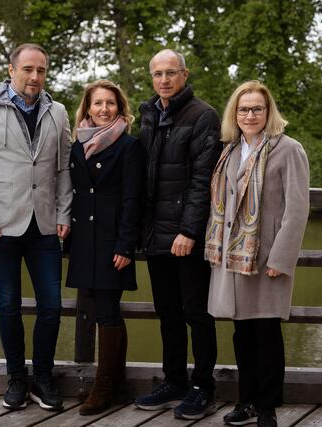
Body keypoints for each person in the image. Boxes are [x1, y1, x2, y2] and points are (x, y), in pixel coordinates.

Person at [0, 43, 72, 411]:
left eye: (41, 70)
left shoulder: (58, 112)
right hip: (2, 227)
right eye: (27, 69)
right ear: (12, 70)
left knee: (51, 306)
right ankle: (16, 378)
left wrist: (63, 213)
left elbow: (63, 169)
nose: (35, 77)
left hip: (45, 226)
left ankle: (43, 377)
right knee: (8, 305)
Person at [204, 80, 309, 427]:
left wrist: (281, 259)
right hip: (234, 259)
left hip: (266, 260)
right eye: (244, 109)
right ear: (235, 113)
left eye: (257, 109)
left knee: (267, 334)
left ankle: (267, 407)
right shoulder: (231, 150)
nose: (250, 115)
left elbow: (297, 210)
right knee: (242, 334)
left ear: (268, 112)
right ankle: (246, 401)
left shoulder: (288, 149)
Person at [134, 49, 222, 420]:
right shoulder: (148, 113)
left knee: (196, 313)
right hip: (156, 234)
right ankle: (174, 381)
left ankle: (203, 387)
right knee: (167, 312)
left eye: (171, 72)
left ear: (184, 74)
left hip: (187, 237)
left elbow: (203, 180)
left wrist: (189, 230)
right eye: (158, 74)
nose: (164, 80)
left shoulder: (203, 115)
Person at [64, 79, 144, 415]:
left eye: (110, 103)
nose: (104, 109)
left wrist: (125, 245)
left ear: (119, 107)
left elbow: (133, 199)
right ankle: (118, 384)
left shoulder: (129, 146)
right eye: (97, 103)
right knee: (101, 308)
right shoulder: (77, 145)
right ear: (88, 108)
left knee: (108, 309)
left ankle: (102, 388)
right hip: (84, 239)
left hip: (113, 240)